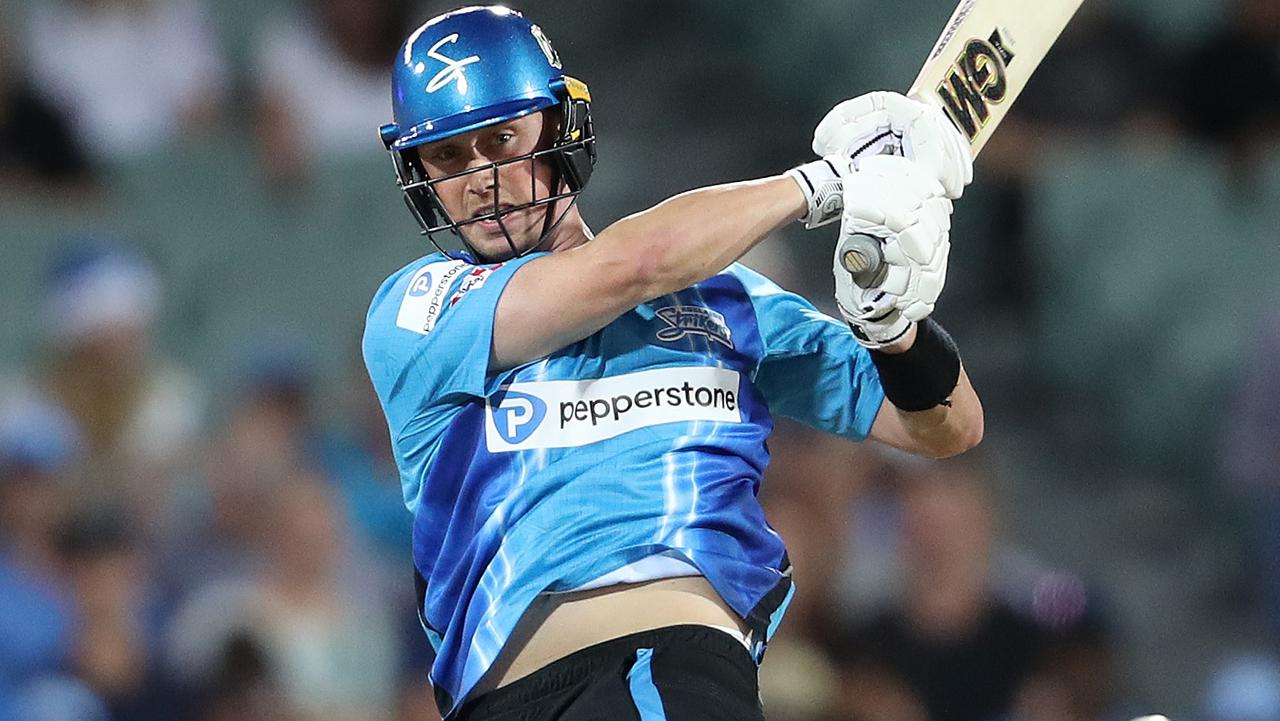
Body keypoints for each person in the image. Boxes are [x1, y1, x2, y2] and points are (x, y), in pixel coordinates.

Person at [361, 6, 983, 720]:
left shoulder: (730, 301)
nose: (481, 177)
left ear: (559, 125)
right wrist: (831, 181)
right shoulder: (419, 310)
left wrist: (893, 326)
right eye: (448, 155)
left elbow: (946, 427)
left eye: (501, 138)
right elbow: (636, 263)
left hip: (668, 670)